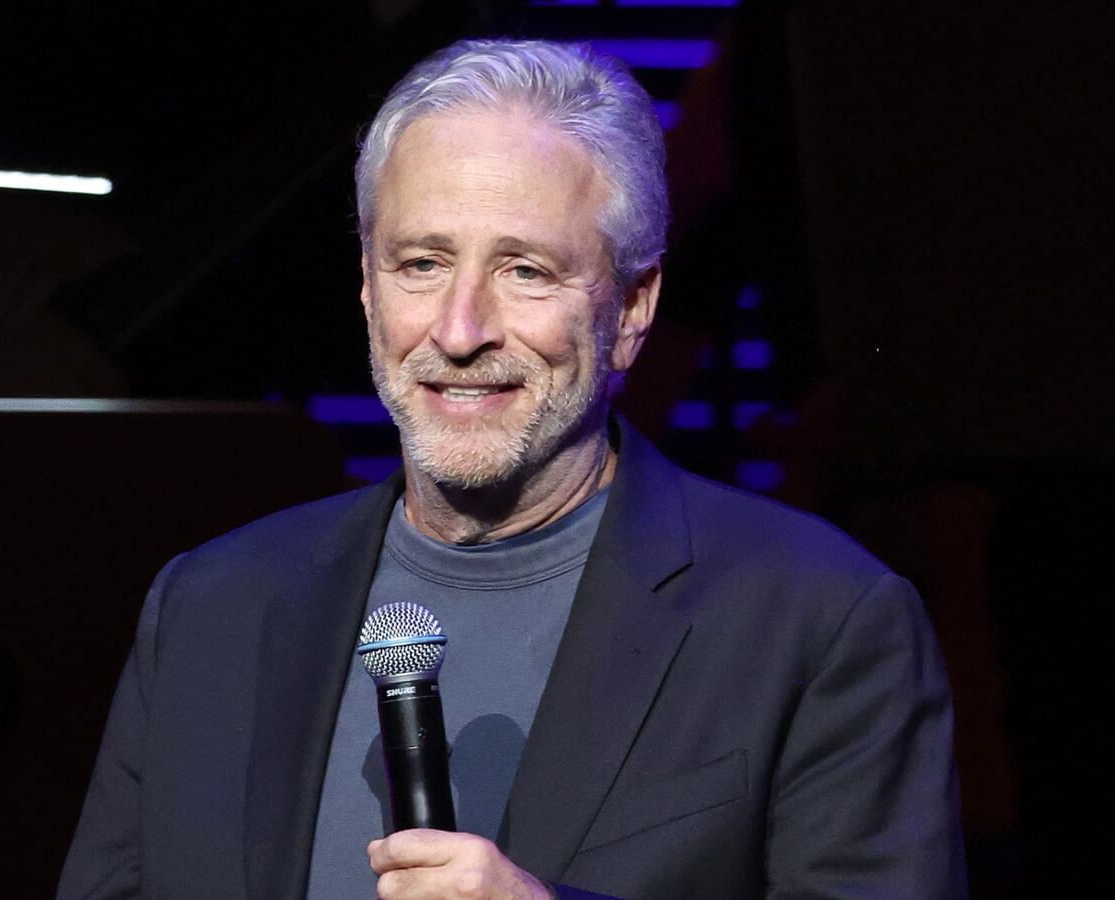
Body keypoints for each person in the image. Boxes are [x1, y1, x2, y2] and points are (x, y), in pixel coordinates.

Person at [57, 39, 966, 899]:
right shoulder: (210, 607)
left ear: (634, 307)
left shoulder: (820, 621)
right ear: (369, 288)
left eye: (525, 271)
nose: (459, 332)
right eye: (421, 264)